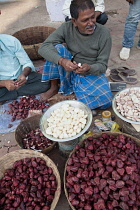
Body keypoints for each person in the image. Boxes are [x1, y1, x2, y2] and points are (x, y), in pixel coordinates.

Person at [38, 0, 113, 110]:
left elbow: (102, 66)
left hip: (89, 72)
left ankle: (75, 86)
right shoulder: (67, 27)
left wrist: (89, 68)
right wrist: (62, 61)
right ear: (74, 21)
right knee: (56, 48)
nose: (91, 23)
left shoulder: (104, 34)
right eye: (85, 20)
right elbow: (43, 48)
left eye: (93, 17)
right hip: (68, 67)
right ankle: (54, 87)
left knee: (106, 100)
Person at [0, 34, 50, 104]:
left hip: (21, 78)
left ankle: (9, 95)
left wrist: (24, 74)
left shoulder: (11, 41)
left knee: (45, 82)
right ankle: (13, 93)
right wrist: (4, 83)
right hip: (2, 84)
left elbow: (26, 63)